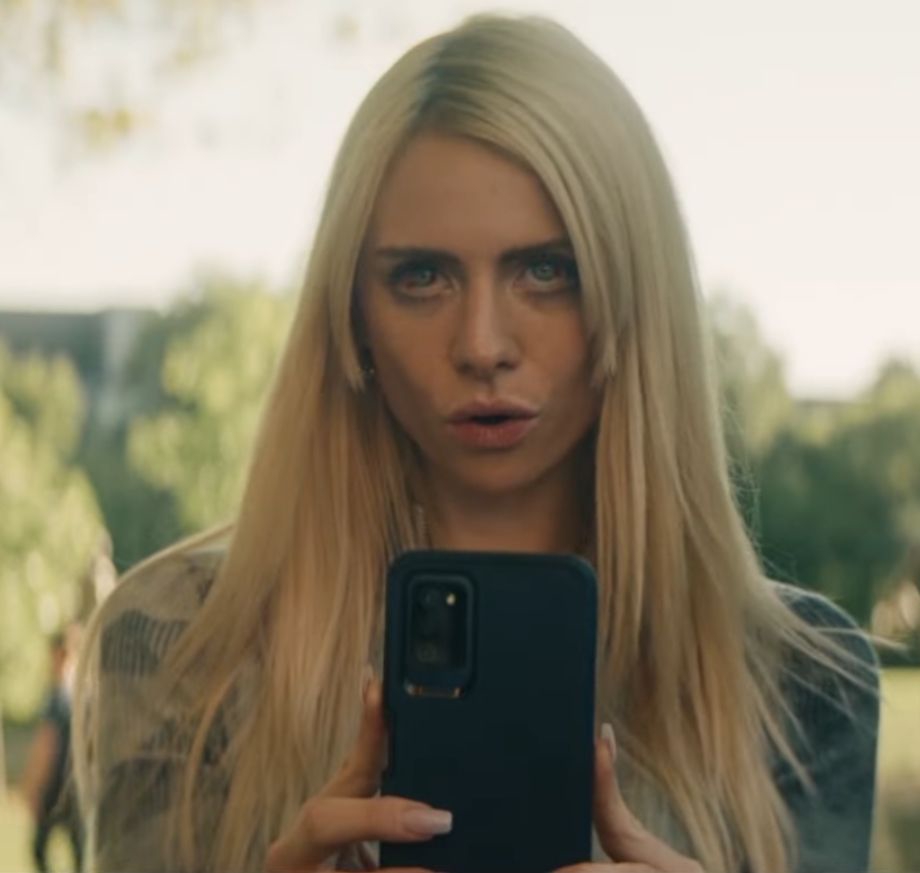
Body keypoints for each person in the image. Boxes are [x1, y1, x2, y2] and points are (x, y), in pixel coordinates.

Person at [71, 13, 879, 873]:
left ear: (636, 294)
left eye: (547, 270)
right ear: (353, 312)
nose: (483, 344)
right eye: (422, 276)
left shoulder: (805, 681)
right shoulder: (182, 643)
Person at [20, 626, 84, 873]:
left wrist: (33, 785)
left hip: (56, 786)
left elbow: (47, 744)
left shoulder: (58, 697)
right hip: (75, 786)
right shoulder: (80, 692)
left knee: (41, 848)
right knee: (78, 851)